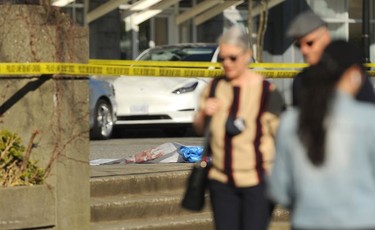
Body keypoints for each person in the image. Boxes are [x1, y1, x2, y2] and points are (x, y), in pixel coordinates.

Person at [268, 40, 375, 229]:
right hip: (361, 221)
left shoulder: (291, 122)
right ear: (354, 75)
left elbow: (279, 190)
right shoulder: (368, 120)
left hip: (307, 221)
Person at [193, 25, 284, 230]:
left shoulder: (267, 91)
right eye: (222, 59)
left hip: (257, 180)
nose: (226, 63)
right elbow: (199, 129)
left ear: (247, 56)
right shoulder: (214, 87)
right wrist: (203, 114)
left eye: (232, 58)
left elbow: (282, 135)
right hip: (221, 180)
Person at [286, 10, 375, 106]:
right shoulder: (301, 81)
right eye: (299, 45)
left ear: (326, 37)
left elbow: (368, 114)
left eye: (310, 43)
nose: (304, 50)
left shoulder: (349, 75)